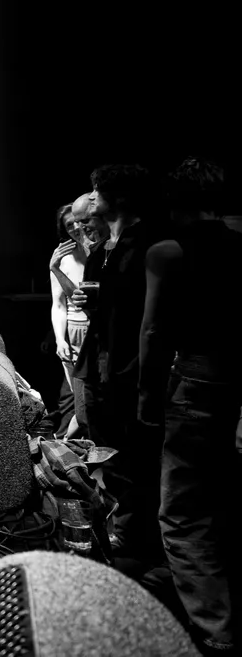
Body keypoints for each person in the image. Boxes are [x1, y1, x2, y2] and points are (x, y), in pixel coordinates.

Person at [138, 158, 241, 654]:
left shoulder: (166, 252)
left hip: (195, 379)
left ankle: (215, 631)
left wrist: (146, 397)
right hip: (235, 377)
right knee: (222, 494)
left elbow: (153, 331)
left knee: (181, 512)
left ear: (171, 201)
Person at [71, 164, 166, 564]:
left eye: (97, 190)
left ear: (121, 197)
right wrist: (88, 304)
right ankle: (118, 526)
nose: (92, 197)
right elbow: (106, 310)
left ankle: (136, 537)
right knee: (106, 452)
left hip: (127, 369)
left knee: (133, 457)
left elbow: (150, 318)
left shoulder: (146, 244)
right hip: (98, 365)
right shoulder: (101, 251)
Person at [48, 200, 93, 438]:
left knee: (89, 403)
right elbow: (59, 305)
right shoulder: (62, 257)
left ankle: (66, 443)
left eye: (79, 221)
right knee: (80, 401)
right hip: (75, 330)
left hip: (97, 327)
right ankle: (66, 445)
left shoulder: (103, 250)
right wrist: (59, 339)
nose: (75, 227)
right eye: (69, 225)